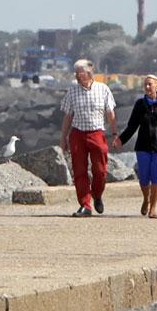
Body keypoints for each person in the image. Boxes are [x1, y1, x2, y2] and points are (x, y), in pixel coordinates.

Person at [59, 59, 117, 217]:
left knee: (100, 171)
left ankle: (97, 194)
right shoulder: (72, 91)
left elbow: (110, 114)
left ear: (89, 73)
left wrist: (115, 134)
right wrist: (63, 138)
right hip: (77, 133)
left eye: (79, 72)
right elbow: (67, 116)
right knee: (79, 171)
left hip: (97, 133)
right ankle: (85, 205)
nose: (77, 75)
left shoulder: (103, 89)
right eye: (76, 72)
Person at [116, 75, 157, 219]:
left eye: (150, 84)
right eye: (145, 85)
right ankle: (146, 199)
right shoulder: (140, 104)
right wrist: (121, 140)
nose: (147, 87)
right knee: (144, 177)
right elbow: (132, 126)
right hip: (142, 146)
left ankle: (153, 208)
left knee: (156, 176)